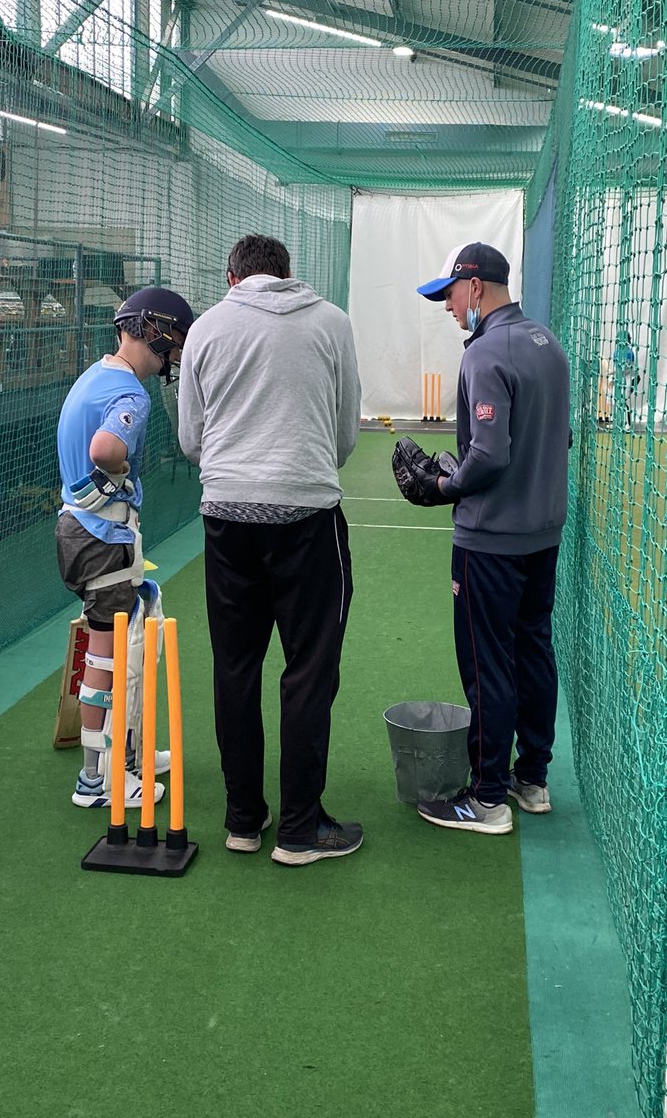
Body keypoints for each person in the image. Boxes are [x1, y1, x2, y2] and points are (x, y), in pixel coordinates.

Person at [177, 234, 362, 866]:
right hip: (308, 515)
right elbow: (344, 432)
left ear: (233, 277)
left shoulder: (205, 328)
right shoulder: (332, 323)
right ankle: (301, 831)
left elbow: (191, 438)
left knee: (235, 666)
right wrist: (298, 472)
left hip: (226, 517)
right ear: (287, 274)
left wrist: (239, 473)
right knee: (309, 671)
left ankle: (242, 821)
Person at [413, 242, 570, 835]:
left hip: (491, 539)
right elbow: (561, 439)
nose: (449, 309)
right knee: (533, 650)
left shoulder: (485, 352)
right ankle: (532, 781)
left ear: (474, 287)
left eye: (450, 296)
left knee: (487, 665)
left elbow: (490, 454)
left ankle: (486, 798)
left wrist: (442, 485)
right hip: (543, 533)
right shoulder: (546, 343)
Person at [56, 286, 195, 808]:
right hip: (101, 535)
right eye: (174, 339)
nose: (174, 354)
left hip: (80, 529)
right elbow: (105, 447)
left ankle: (127, 752)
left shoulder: (95, 376)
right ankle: (100, 778)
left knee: (119, 639)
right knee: (115, 653)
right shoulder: (131, 394)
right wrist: (113, 474)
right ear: (152, 329)